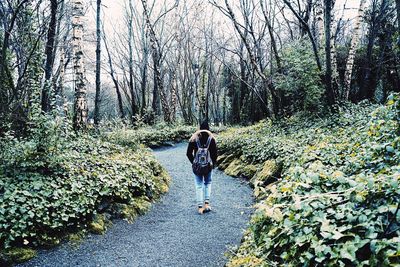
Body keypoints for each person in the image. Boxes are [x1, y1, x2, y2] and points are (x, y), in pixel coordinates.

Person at [186, 120, 218, 214]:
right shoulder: (211, 139)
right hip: (208, 166)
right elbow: (214, 154)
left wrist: (194, 163)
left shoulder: (193, 138)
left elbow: (188, 154)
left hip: (197, 167)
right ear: (208, 128)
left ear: (199, 128)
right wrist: (213, 164)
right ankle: (207, 204)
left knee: (199, 185)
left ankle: (200, 207)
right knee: (208, 183)